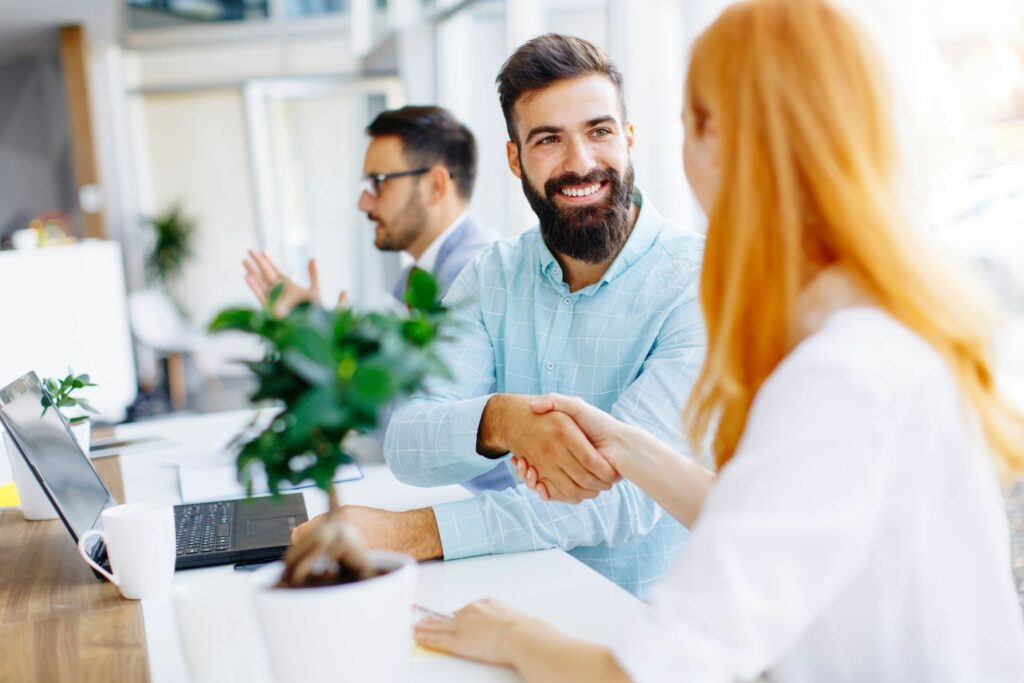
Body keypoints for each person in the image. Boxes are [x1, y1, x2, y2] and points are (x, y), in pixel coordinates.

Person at [412, 0, 1024, 680]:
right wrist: (621, 442)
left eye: (684, 123)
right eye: (550, 138)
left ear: (724, 143)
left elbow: (648, 671)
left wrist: (510, 636)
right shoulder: (871, 328)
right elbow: (764, 521)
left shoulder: (839, 373)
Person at [293, 34, 707, 598]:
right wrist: (501, 420)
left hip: (649, 630)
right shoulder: (493, 275)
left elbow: (628, 500)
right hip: (518, 598)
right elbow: (409, 439)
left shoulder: (698, 282)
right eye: (548, 140)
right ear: (515, 159)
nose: (581, 161)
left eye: (600, 131)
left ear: (629, 139)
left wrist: (412, 532)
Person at [243, 105, 495, 315]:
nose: (363, 203)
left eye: (379, 182)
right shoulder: (413, 277)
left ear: (435, 186)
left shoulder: (475, 276)